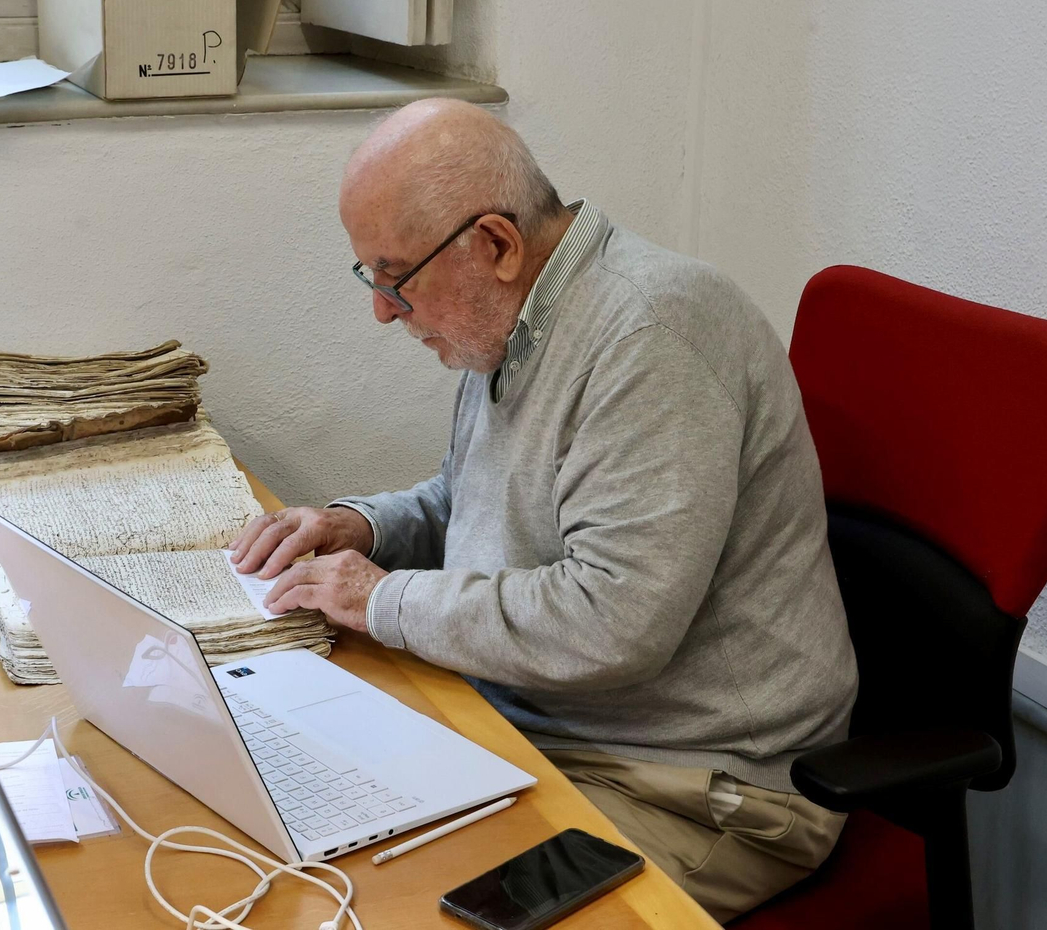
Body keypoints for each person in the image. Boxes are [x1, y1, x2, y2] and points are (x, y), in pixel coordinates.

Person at [229, 98, 859, 922]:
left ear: (493, 243)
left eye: (395, 279)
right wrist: (363, 528)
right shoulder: (515, 315)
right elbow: (476, 497)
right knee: (300, 832)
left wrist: (379, 598)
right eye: (371, 277)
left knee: (406, 908)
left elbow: (613, 622)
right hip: (541, 726)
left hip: (699, 785)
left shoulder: (652, 337)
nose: (382, 310)